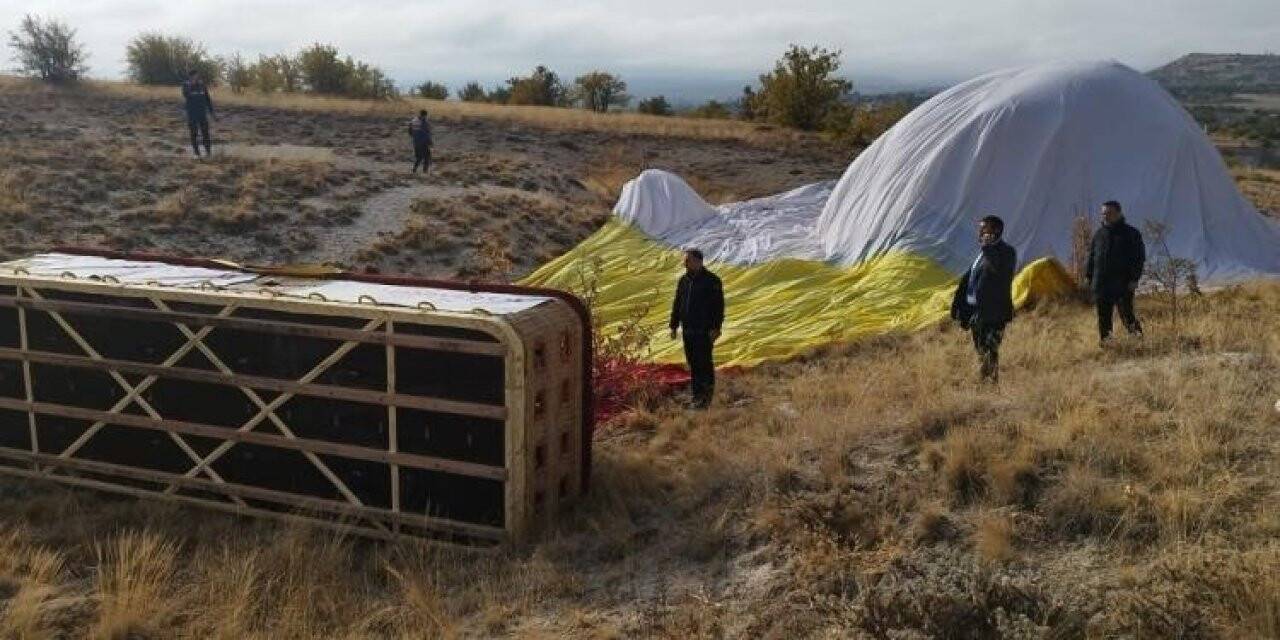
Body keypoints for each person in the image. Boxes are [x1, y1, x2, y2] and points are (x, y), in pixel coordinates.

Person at [950, 215, 1017, 383]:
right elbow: (971, 278)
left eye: (984, 229)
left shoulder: (1007, 252)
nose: (980, 233)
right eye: (980, 230)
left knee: (990, 349)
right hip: (976, 312)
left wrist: (988, 248)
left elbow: (998, 271)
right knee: (980, 349)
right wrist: (959, 304)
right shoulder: (982, 253)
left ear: (996, 231)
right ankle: (984, 379)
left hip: (994, 313)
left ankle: (990, 383)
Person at [669, 249, 724, 409]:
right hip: (688, 330)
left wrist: (716, 328)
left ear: (699, 262)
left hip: (704, 331)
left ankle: (706, 399)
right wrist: (673, 325)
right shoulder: (683, 281)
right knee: (693, 364)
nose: (685, 263)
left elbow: (718, 308)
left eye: (688, 260)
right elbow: (677, 303)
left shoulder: (712, 281)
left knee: (704, 364)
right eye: (685, 261)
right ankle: (696, 396)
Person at [1085, 201, 1145, 344]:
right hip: (1101, 284)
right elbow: (1092, 257)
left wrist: (1134, 279)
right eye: (1103, 213)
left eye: (1109, 213)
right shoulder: (1099, 234)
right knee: (1104, 318)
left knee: (1126, 315)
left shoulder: (1131, 233)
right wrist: (1089, 277)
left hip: (1122, 283)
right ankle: (1108, 346)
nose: (1105, 216)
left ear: (1119, 213)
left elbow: (1139, 258)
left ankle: (1139, 342)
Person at [182, 70, 215, 157]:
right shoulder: (186, 85)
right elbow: (186, 95)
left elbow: (208, 99)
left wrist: (212, 113)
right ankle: (197, 153)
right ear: (190, 77)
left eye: (197, 76)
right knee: (194, 133)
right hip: (192, 115)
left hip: (202, 114)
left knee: (206, 133)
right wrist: (191, 85)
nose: (196, 78)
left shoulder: (202, 85)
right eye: (194, 76)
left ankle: (208, 153)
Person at [408, 110, 433, 174]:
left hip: (416, 142)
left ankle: (414, 170)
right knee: (427, 157)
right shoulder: (424, 122)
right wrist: (430, 142)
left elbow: (410, 132)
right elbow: (426, 133)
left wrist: (415, 137)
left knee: (419, 157)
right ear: (425, 115)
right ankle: (425, 171)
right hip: (423, 142)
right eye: (426, 116)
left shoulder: (413, 120)